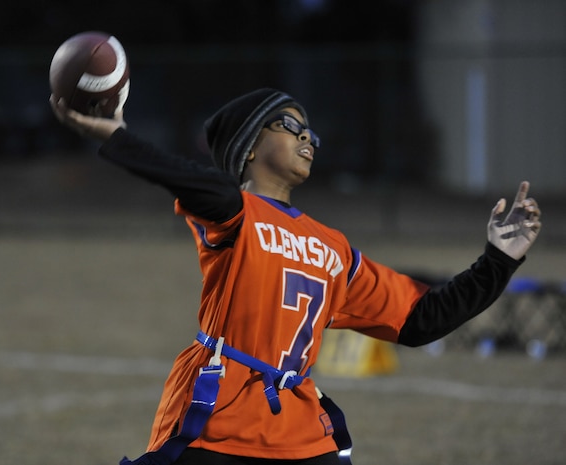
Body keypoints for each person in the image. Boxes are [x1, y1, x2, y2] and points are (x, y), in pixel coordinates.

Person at [49, 88, 541, 465]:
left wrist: (499, 258)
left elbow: (421, 318)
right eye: (290, 125)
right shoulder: (236, 215)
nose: (308, 137)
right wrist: (116, 137)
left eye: (312, 133)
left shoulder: (333, 246)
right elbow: (202, 186)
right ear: (248, 146)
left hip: (301, 430)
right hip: (220, 419)